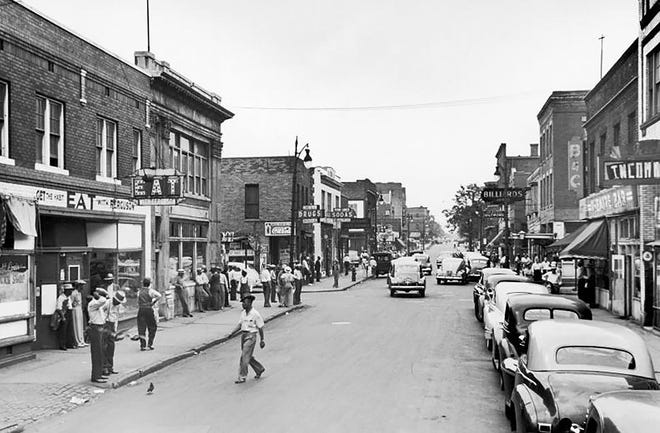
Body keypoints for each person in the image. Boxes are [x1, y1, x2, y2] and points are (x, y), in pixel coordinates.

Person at [234, 294, 265, 384]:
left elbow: (260, 327)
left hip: (251, 336)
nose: (243, 304)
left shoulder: (255, 314)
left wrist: (262, 340)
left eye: (245, 302)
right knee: (247, 356)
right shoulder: (243, 313)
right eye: (242, 303)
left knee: (244, 356)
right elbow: (240, 325)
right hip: (243, 335)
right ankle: (259, 369)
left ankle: (242, 376)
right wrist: (232, 333)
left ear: (250, 303)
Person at [88, 287, 108, 383]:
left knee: (100, 352)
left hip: (100, 327)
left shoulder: (97, 305)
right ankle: (96, 376)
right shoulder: (93, 304)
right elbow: (104, 299)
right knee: (96, 353)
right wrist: (101, 294)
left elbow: (106, 299)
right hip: (95, 328)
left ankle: (99, 374)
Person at [103, 290, 126, 376]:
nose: (117, 303)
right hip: (106, 325)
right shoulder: (107, 303)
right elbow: (101, 311)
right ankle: (104, 367)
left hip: (112, 327)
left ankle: (110, 367)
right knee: (105, 347)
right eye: (117, 301)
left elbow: (117, 317)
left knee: (111, 348)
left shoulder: (118, 306)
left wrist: (115, 330)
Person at [137, 277, 162, 351]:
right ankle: (150, 343)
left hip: (141, 309)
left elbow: (137, 300)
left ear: (143, 283)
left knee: (141, 327)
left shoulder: (139, 291)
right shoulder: (151, 291)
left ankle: (143, 345)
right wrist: (153, 302)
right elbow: (159, 295)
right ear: (149, 284)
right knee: (152, 326)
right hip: (148, 309)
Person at [54, 283, 72, 350]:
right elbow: (59, 308)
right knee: (63, 330)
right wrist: (63, 317)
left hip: (69, 312)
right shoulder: (61, 297)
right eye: (70, 290)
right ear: (66, 290)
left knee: (68, 329)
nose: (71, 292)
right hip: (64, 313)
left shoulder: (68, 297)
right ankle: (62, 344)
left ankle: (68, 343)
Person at [71, 280, 87, 347]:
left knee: (80, 324)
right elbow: (71, 302)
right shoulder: (74, 293)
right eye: (81, 285)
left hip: (79, 308)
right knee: (77, 324)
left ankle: (81, 340)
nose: (83, 287)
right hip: (75, 309)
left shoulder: (79, 293)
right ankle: (78, 341)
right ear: (78, 286)